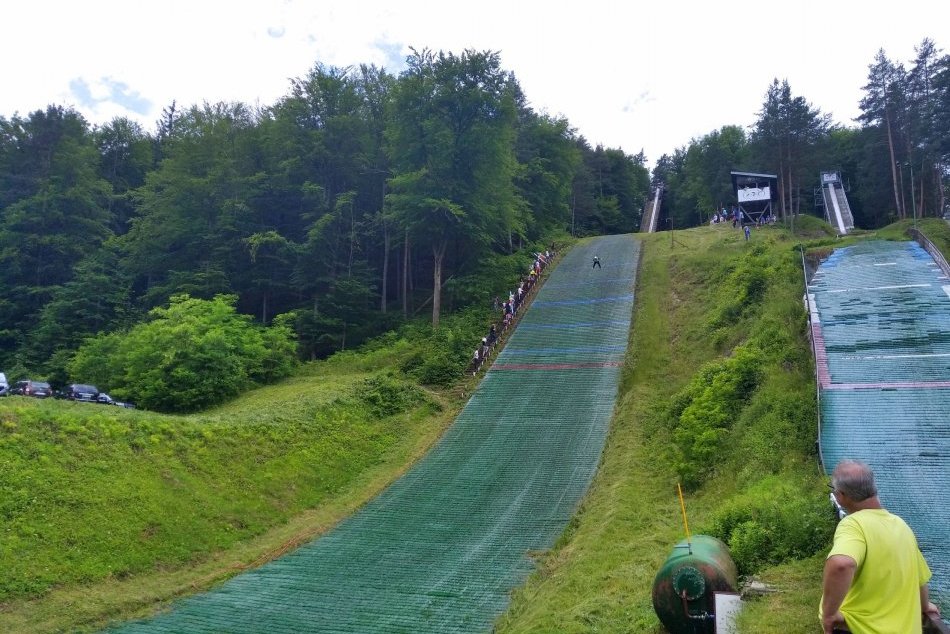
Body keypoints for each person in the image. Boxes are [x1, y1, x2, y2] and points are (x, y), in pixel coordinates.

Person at [820, 459, 940, 634]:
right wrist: (925, 605)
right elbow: (920, 580)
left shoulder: (854, 525)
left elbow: (841, 564)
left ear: (841, 495)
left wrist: (829, 614)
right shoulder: (902, 526)